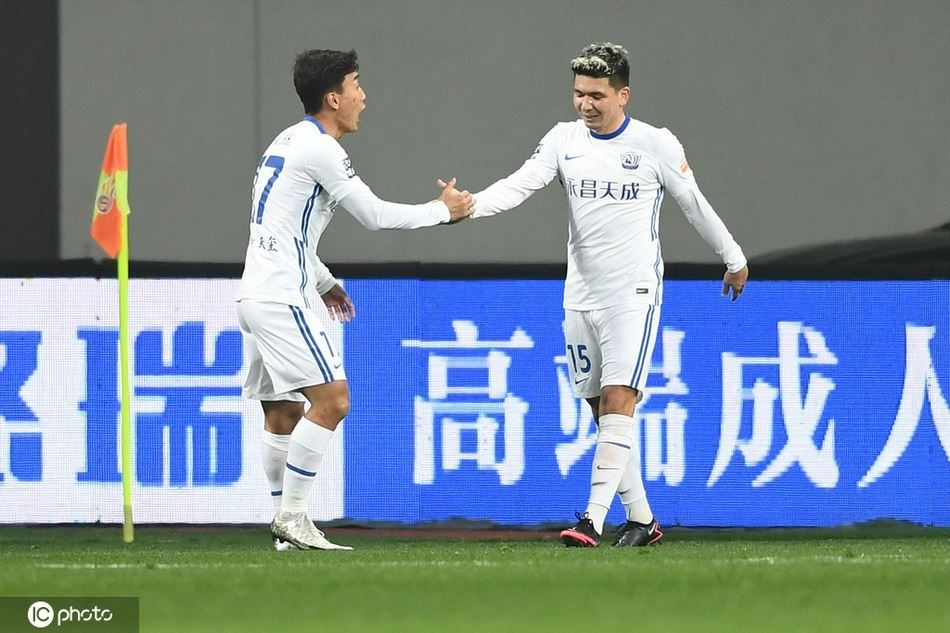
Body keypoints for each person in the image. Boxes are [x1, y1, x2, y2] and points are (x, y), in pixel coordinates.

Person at [467, 42, 748, 547]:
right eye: (579, 93)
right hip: (580, 295)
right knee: (603, 413)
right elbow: (518, 186)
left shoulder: (655, 144)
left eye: (596, 95)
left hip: (633, 293)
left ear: (623, 95)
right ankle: (642, 521)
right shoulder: (562, 140)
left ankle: (591, 520)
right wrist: (469, 206)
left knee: (621, 401)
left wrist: (733, 257)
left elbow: (694, 203)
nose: (585, 104)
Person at [237, 49, 474, 551]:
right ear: (333, 98)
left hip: (256, 292)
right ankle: (293, 517)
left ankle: (285, 531)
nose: (363, 97)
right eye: (356, 85)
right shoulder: (321, 148)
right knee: (333, 400)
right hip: (281, 295)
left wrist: (323, 280)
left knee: (281, 413)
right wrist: (443, 211)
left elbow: (280, 226)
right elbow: (374, 216)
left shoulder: (287, 139)